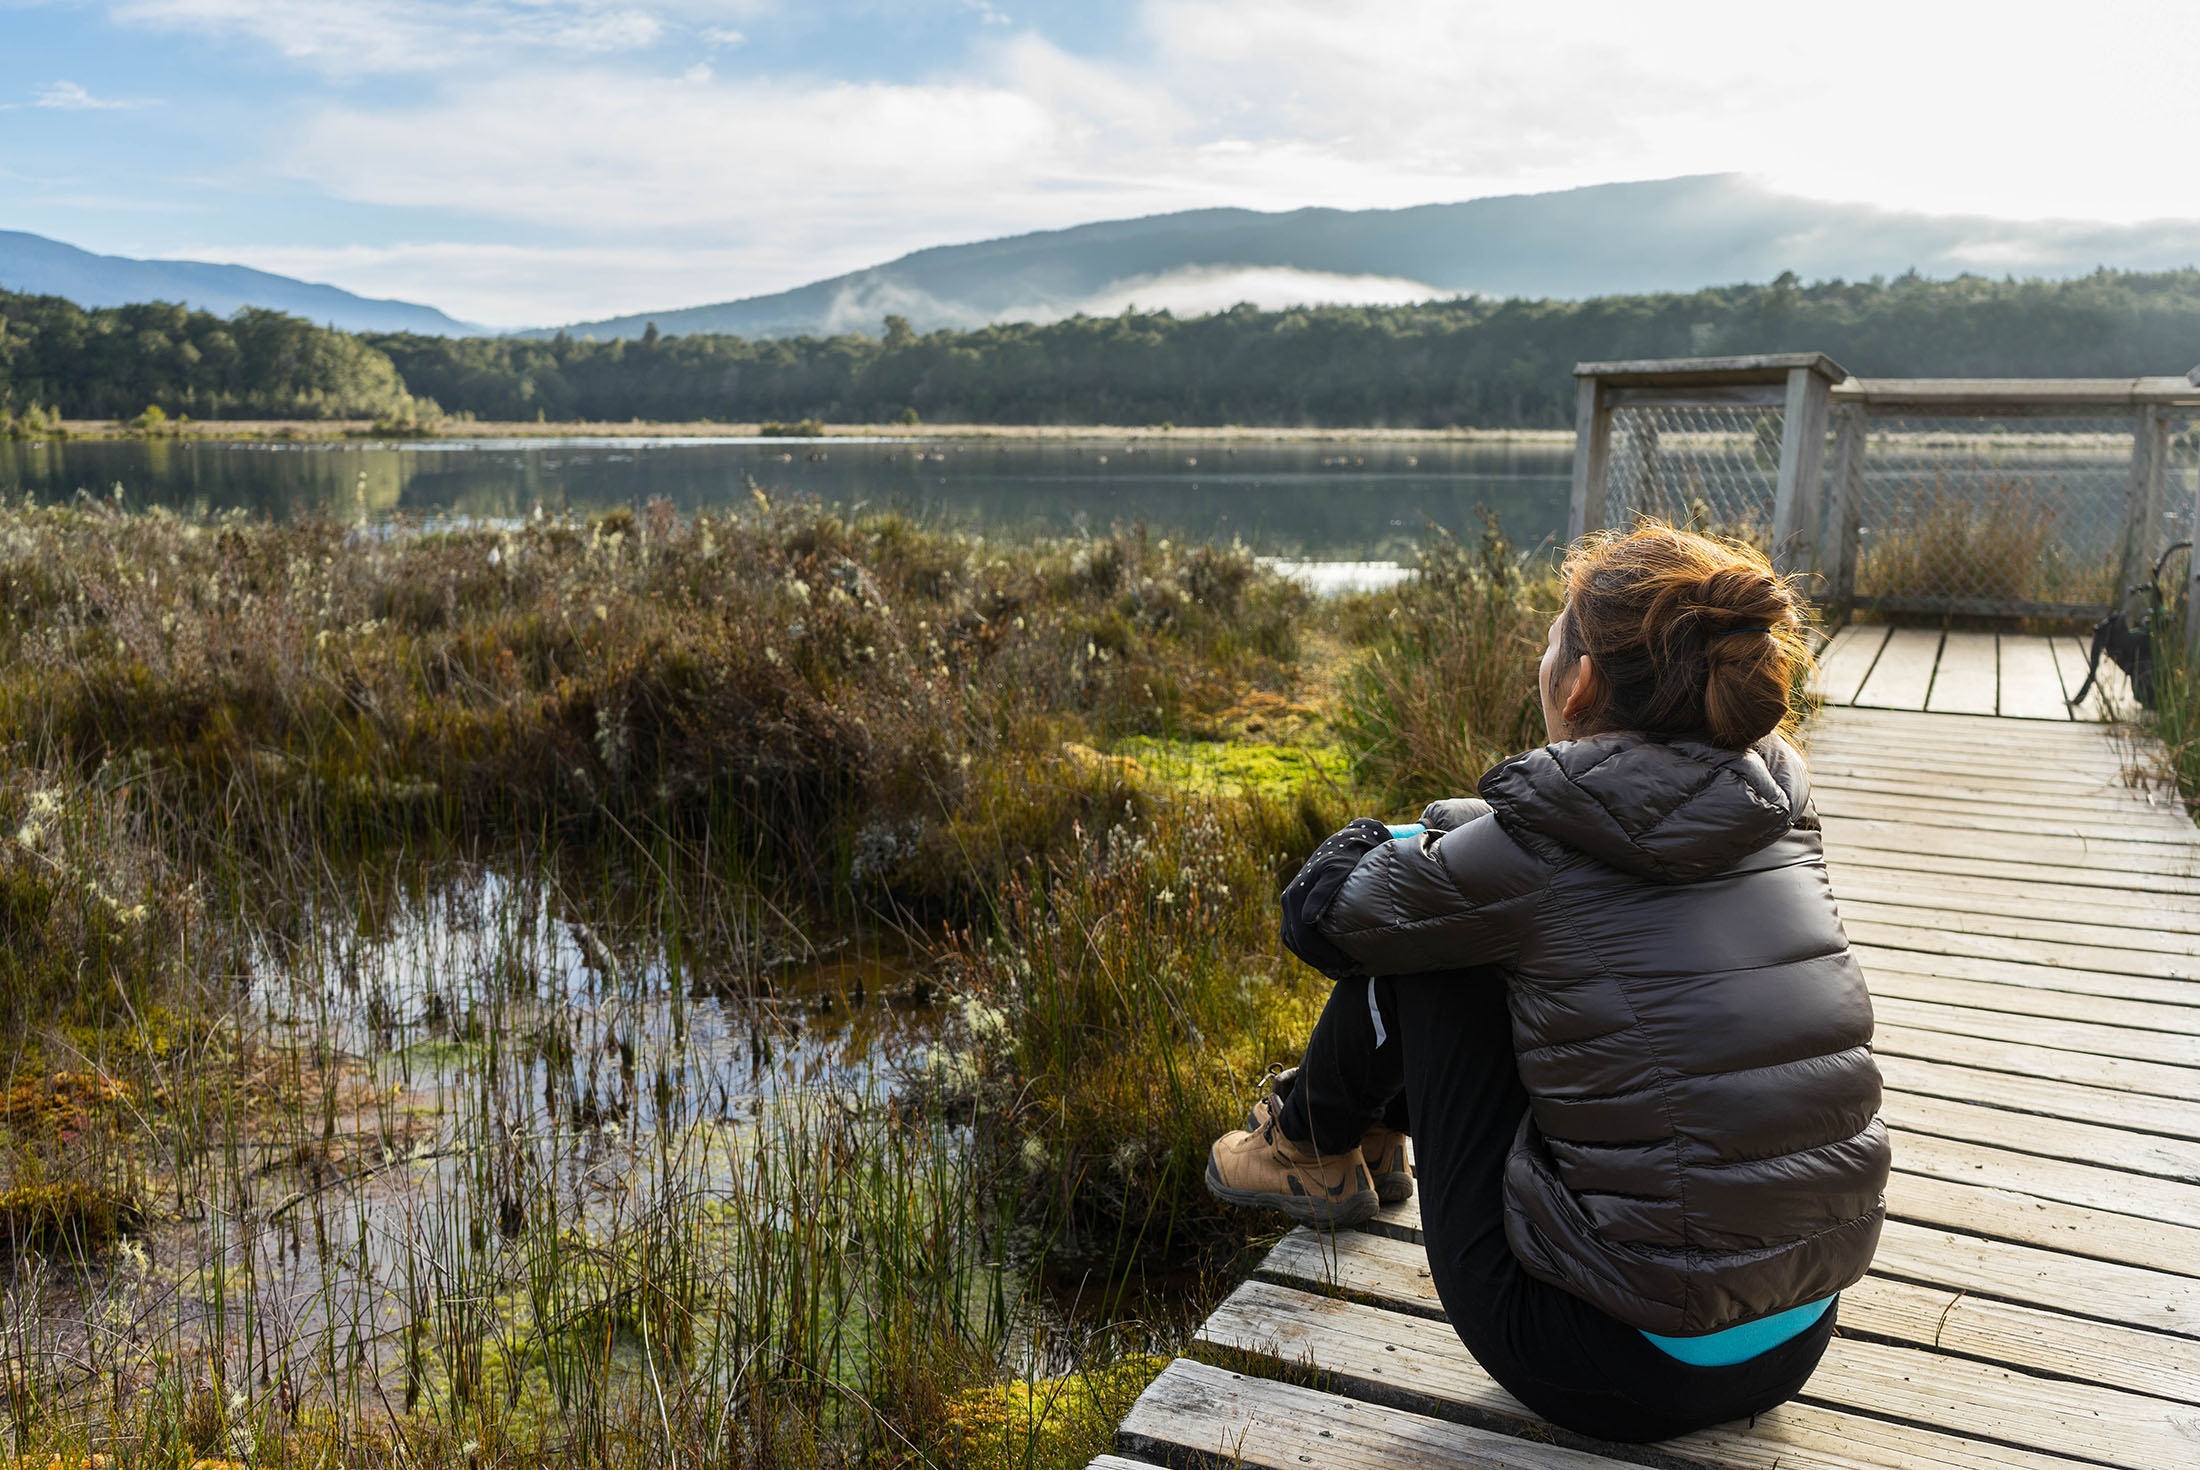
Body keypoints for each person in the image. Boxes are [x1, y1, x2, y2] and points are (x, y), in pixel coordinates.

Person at [1204, 521, 1889, 1443]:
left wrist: (1403, 835)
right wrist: (1462, 839)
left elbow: (1323, 918)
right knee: (1498, 929)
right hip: (1795, 1331)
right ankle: (1347, 1141)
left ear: (1580, 682)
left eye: (1554, 633)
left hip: (1606, 1364)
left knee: (1433, 941)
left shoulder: (1536, 849)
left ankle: (1310, 1144)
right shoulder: (1779, 799)